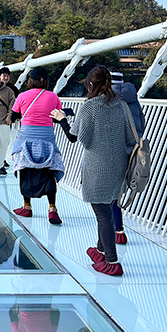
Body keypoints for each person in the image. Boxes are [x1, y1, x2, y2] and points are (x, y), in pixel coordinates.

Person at [51, 65, 136, 276]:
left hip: (98, 167)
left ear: (90, 84)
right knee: (107, 207)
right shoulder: (121, 104)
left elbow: (80, 138)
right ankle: (100, 250)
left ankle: (112, 261)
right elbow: (129, 137)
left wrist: (62, 120)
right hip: (119, 165)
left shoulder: (89, 106)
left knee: (102, 214)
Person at [8, 67, 66, 224]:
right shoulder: (53, 97)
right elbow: (57, 116)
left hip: (26, 138)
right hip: (46, 138)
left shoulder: (22, 96)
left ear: (30, 80)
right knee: (48, 173)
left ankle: (27, 207)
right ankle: (52, 209)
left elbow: (14, 116)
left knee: (25, 171)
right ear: (46, 80)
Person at [109, 70, 145, 245]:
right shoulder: (133, 98)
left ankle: (115, 229)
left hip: (113, 152)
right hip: (132, 152)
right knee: (118, 191)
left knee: (109, 193)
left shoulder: (107, 99)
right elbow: (141, 123)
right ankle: (119, 230)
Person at [0, 66, 19, 168]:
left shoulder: (13, 88)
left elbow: (18, 102)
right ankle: (0, 161)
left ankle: (2, 159)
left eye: (7, 76)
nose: (5, 78)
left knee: (6, 139)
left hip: (9, 118)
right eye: (3, 75)